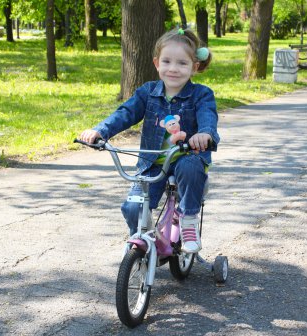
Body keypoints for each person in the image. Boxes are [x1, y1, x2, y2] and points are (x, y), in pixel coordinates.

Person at [78, 28, 219, 253]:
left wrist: (206, 134)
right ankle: (141, 235)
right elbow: (125, 113)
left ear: (195, 67)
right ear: (156, 63)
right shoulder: (147, 92)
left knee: (191, 166)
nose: (173, 68)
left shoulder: (201, 94)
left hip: (186, 158)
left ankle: (188, 218)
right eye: (167, 61)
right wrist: (100, 131)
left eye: (182, 63)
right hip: (152, 164)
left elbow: (207, 117)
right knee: (133, 207)